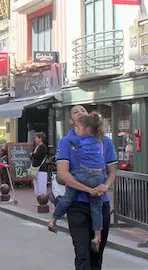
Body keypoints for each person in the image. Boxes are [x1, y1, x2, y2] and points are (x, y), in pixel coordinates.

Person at [55, 105, 117, 269]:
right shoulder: (66, 142)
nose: (81, 112)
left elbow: (112, 172)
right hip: (77, 205)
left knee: (97, 254)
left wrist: (105, 186)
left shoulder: (104, 141)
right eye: (76, 111)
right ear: (71, 121)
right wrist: (89, 189)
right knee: (82, 255)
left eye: (83, 110)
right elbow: (63, 174)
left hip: (100, 203)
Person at [48, 115, 106, 251]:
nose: (75, 130)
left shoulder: (78, 139)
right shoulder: (100, 141)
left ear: (87, 130)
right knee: (96, 207)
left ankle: (54, 219)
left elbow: (68, 139)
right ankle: (97, 236)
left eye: (78, 128)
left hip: (82, 174)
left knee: (68, 197)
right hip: (98, 176)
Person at [30, 132, 50, 196]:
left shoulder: (43, 147)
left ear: (40, 139)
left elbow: (36, 155)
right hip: (35, 169)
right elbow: (32, 155)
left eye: (36, 138)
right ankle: (38, 200)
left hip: (41, 168)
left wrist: (32, 154)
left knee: (41, 186)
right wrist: (32, 155)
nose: (35, 139)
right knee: (36, 186)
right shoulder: (37, 146)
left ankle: (42, 201)